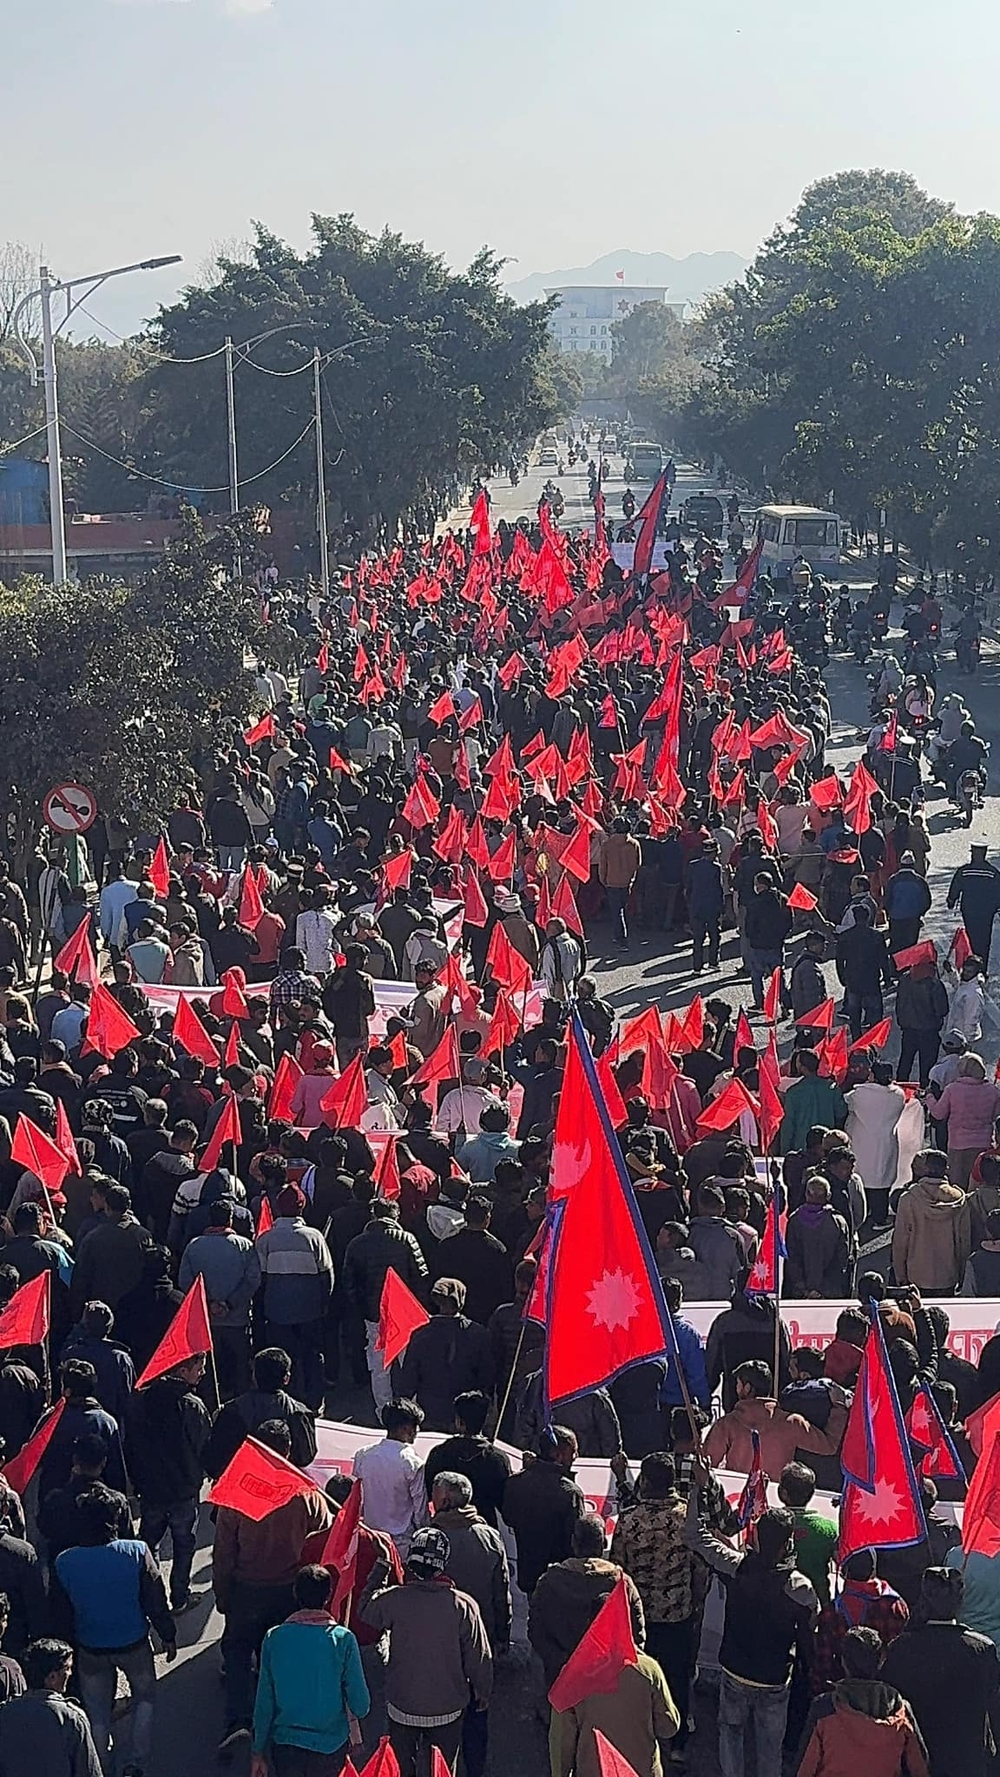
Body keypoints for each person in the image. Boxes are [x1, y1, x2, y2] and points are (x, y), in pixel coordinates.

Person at [683, 1468, 819, 1777]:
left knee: (730, 1734)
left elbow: (694, 1535)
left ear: (755, 1537)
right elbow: (809, 1634)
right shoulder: (801, 1589)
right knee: (770, 1747)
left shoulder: (735, 1567)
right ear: (788, 1544)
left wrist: (698, 1490)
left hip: (734, 1671)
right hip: (774, 1679)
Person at [214, 1420, 333, 1754]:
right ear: (288, 1450)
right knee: (286, 1658)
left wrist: (222, 1595)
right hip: (291, 1592)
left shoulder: (236, 1490)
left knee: (238, 1654)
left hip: (246, 1590)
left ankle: (239, 1721)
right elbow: (324, 1538)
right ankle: (286, 1720)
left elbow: (223, 1553)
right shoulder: (306, 1492)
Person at [55, 1484, 177, 1775]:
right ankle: (136, 1763)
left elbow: (60, 1613)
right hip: (134, 1642)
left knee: (97, 1712)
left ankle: (101, 1765)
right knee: (144, 1697)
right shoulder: (136, 1552)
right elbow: (155, 1600)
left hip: (89, 1646)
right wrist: (168, 1634)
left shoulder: (64, 1561)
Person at [358, 1523, 493, 1777]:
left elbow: (365, 1610)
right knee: (442, 1769)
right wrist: (483, 1690)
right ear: (444, 1563)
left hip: (402, 1706)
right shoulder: (463, 1605)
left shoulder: (394, 1599)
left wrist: (383, 1566)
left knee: (401, 1769)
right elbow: (479, 1658)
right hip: (448, 1709)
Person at [610, 1451, 702, 1759]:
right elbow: (699, 1569)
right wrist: (695, 1603)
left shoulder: (628, 1520)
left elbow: (617, 1571)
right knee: (678, 1679)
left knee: (639, 1680)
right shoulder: (689, 1519)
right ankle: (678, 1744)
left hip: (640, 1618)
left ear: (646, 1482)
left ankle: (640, 1740)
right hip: (679, 1615)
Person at [250, 1563, 371, 1777]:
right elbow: (361, 1706)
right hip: (330, 1748)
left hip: (286, 1747)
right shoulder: (343, 1639)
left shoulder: (274, 1638)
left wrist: (257, 1751)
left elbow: (264, 1702)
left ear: (295, 1593)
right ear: (328, 1596)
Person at [882, 1565, 1000, 1777]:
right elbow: (992, 1704)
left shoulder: (900, 1648)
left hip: (919, 1761)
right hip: (967, 1762)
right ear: (960, 1601)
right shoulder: (983, 1649)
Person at [429, 1473, 510, 1777]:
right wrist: (502, 1636)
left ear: (445, 1500)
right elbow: (501, 1592)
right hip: (480, 1638)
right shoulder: (489, 1536)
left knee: (440, 1716)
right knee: (478, 1712)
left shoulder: (430, 1539)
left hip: (439, 1641)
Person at [123, 1353, 212, 1614]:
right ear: (183, 1370)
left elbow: (130, 1445)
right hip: (183, 1491)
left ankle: (151, 1595)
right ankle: (179, 1596)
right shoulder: (192, 1406)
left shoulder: (140, 1401)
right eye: (199, 1368)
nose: (203, 1373)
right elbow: (204, 1447)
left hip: (150, 1490)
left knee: (148, 1543)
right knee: (184, 1545)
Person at [796, 1625, 930, 1777]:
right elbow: (920, 1769)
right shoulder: (900, 1709)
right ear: (880, 1662)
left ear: (843, 1662)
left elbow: (803, 1770)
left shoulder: (824, 1709)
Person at [255, 1183, 334, 1409]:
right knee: (312, 1355)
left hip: (277, 1312)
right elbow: (327, 1275)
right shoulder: (314, 1237)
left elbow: (260, 1278)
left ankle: (287, 1400)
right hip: (310, 1311)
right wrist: (323, 1303)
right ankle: (315, 1401)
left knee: (282, 1357)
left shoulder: (266, 1239)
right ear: (302, 1208)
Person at [703, 1359, 848, 1481]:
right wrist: (839, 1406)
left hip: (737, 1498)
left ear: (747, 1388)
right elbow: (829, 1446)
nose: (736, 1388)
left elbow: (706, 1464)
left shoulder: (726, 1424)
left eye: (738, 1384)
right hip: (778, 1499)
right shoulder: (791, 1422)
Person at [178, 1197, 261, 1399]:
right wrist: (229, 1304)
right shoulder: (245, 1246)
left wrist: (208, 1304)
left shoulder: (194, 1246)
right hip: (237, 1320)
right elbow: (253, 1280)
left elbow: (185, 1281)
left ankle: (210, 1405)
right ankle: (242, 1404)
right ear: (230, 1219)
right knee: (240, 1367)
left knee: (207, 1370)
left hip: (205, 1322)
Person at [397, 1278, 493, 1432]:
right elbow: (486, 1379)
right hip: (465, 1416)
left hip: (429, 1413)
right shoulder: (479, 1334)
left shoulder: (421, 1334)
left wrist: (403, 1414)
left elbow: (408, 1380)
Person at [501, 1427, 587, 1597]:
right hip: (560, 1580)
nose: (576, 1457)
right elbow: (576, 1537)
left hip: (529, 1572)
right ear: (558, 1455)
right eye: (573, 1452)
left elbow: (508, 1518)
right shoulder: (569, 1493)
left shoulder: (515, 1483)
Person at [0, 1637, 103, 1777]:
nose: (70, 1673)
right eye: (67, 1668)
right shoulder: (71, 1718)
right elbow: (89, 1772)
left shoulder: (5, 1713)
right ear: (52, 1677)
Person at [422, 1392, 512, 1528]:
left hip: (445, 1526)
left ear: (459, 1422)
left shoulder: (439, 1453)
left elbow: (428, 1492)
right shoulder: (497, 1459)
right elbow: (504, 1503)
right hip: (484, 1527)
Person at [352, 1399, 428, 1559]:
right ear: (406, 1428)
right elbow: (420, 1511)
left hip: (369, 1539)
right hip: (401, 1545)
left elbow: (357, 1498)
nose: (418, 1431)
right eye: (416, 1426)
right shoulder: (414, 1464)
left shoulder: (363, 1455)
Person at [892, 1149, 972, 1293]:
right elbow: (963, 1242)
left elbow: (900, 1242)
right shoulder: (959, 1200)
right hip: (948, 1275)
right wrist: (962, 1275)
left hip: (916, 1275)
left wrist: (900, 1275)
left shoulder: (909, 1198)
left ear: (926, 1169)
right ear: (946, 1169)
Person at [933, 1053, 1000, 1190]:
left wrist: (929, 1097)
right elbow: (996, 1115)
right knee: (979, 1185)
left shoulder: (952, 1089)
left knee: (957, 1185)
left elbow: (938, 1114)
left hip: (958, 1145)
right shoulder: (993, 1091)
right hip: (984, 1144)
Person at [776, 1462, 838, 1607]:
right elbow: (845, 1567)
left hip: (779, 1604)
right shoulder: (830, 1529)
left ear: (783, 1493)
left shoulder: (769, 1523)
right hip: (820, 1605)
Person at [784, 1176, 850, 1298]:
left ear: (806, 1194)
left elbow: (792, 1257)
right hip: (830, 1291)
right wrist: (823, 1290)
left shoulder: (794, 1220)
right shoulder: (838, 1221)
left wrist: (803, 1289)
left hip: (800, 1292)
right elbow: (842, 1258)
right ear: (828, 1196)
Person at [835, 904, 894, 1040]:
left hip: (853, 980)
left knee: (854, 1014)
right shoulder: (876, 936)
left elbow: (839, 960)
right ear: (868, 918)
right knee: (875, 1012)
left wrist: (842, 977)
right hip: (871, 979)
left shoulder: (845, 936)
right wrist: (887, 978)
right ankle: (873, 1038)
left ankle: (857, 1039)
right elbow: (883, 959)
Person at [778, 1051, 847, 1153]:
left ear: (801, 1067)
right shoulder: (832, 1089)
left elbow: (788, 1125)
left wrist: (785, 1150)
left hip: (801, 1147)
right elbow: (841, 1113)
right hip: (827, 1145)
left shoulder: (793, 1092)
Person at [947, 844, 1000, 969]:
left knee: (970, 937)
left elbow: (955, 887)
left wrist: (951, 901)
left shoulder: (964, 871)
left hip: (969, 910)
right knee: (984, 939)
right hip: (986, 912)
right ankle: (982, 967)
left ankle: (971, 966)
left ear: (973, 854)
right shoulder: (992, 872)